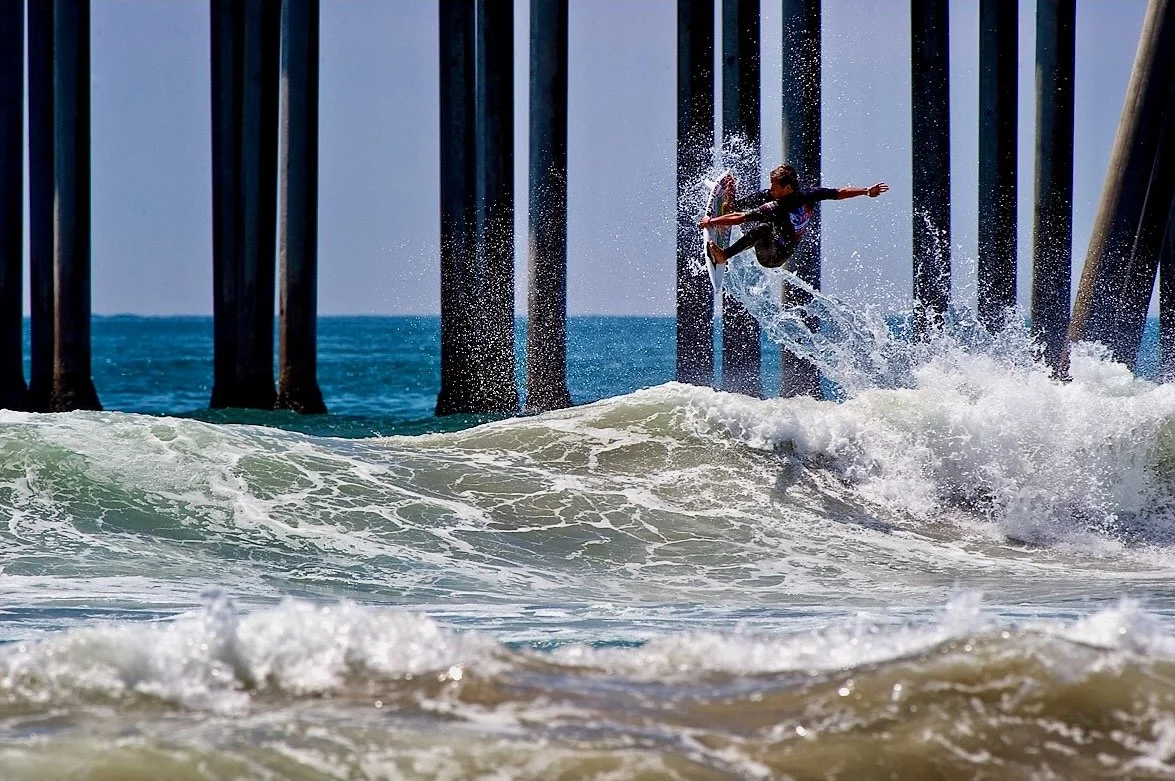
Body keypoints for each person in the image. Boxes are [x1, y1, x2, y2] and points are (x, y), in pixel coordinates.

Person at [698, 164, 888, 269]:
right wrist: (865, 191)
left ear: (787, 188)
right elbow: (839, 192)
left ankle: (725, 256)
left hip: (773, 257)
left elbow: (741, 219)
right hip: (775, 237)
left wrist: (711, 221)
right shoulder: (805, 194)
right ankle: (732, 204)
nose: (773, 188)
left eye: (776, 186)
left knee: (762, 226)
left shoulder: (778, 206)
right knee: (764, 197)